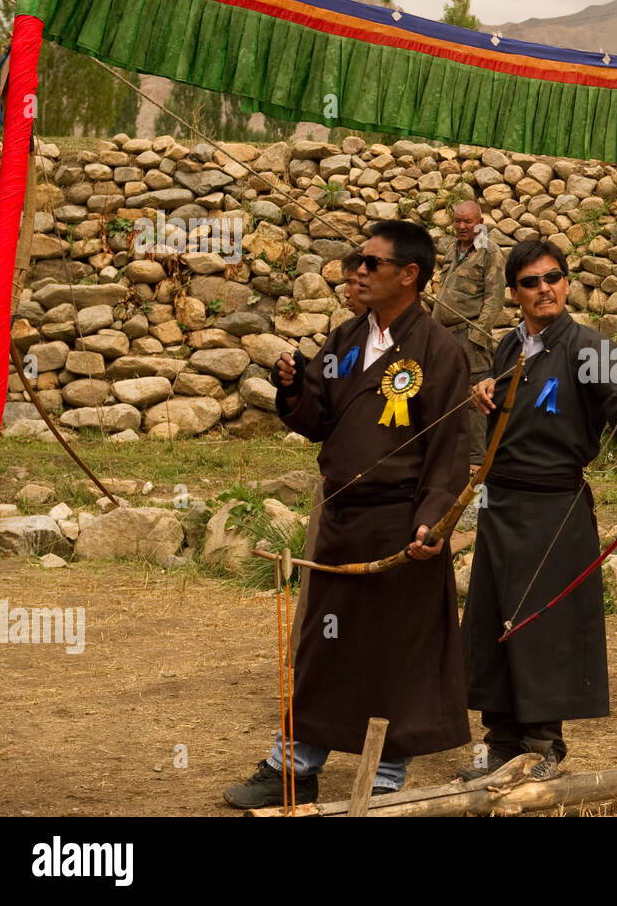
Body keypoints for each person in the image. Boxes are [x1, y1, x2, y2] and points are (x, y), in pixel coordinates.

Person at [223, 220, 471, 809]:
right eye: (357, 261)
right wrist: (291, 388)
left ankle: (384, 784)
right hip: (340, 520)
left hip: (400, 521)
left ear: (408, 275)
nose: (357, 271)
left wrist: (433, 522)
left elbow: (450, 452)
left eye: (371, 264)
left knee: (396, 650)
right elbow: (319, 419)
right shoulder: (346, 338)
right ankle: (296, 766)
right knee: (323, 643)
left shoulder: (439, 350)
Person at [460, 240, 617, 782]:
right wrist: (486, 395)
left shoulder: (591, 347)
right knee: (496, 622)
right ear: (513, 294)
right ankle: (500, 745)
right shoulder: (507, 349)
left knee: (544, 627)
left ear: (566, 284)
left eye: (553, 278)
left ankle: (543, 746)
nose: (544, 288)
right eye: (530, 282)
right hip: (501, 505)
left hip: (553, 507)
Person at [289, 249, 368, 661]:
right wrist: (294, 383)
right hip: (336, 487)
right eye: (347, 283)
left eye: (357, 283)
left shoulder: (423, 346)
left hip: (390, 499)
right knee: (320, 583)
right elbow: (317, 404)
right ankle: (311, 671)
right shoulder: (343, 337)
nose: (349, 292)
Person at [432, 200, 506, 470]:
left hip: (470, 335)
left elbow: (494, 298)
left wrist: (477, 336)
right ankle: (450, 453)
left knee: (475, 398)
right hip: (445, 334)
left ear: (481, 222)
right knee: (445, 392)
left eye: (468, 222)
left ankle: (477, 461)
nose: (462, 226)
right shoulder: (454, 248)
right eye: (458, 221)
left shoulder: (489, 251)